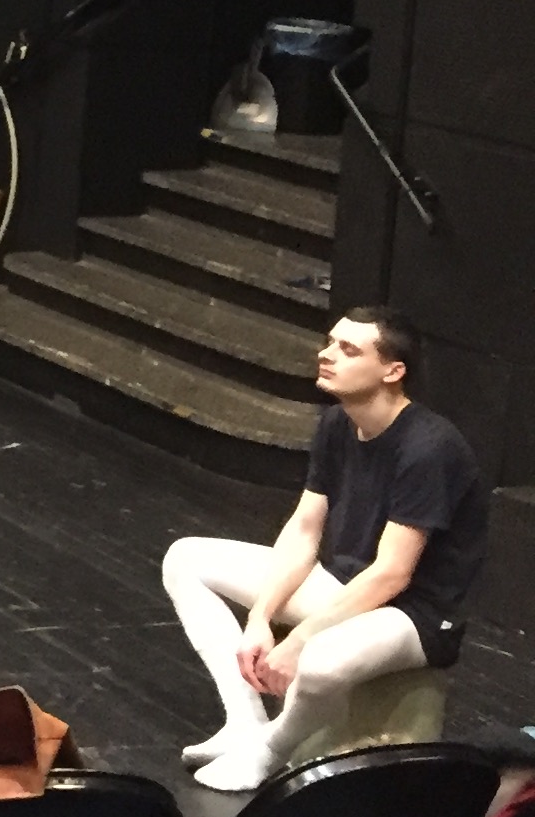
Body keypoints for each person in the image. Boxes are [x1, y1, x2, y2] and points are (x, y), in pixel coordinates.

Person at [162, 306, 487, 792]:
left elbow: (393, 573)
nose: (327, 355)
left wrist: (298, 639)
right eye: (331, 342)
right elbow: (304, 529)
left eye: (349, 349)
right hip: (347, 584)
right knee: (186, 559)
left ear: (393, 371)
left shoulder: (429, 447)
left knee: (319, 659)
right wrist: (259, 618)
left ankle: (270, 750)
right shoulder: (337, 423)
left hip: (415, 616)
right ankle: (245, 723)